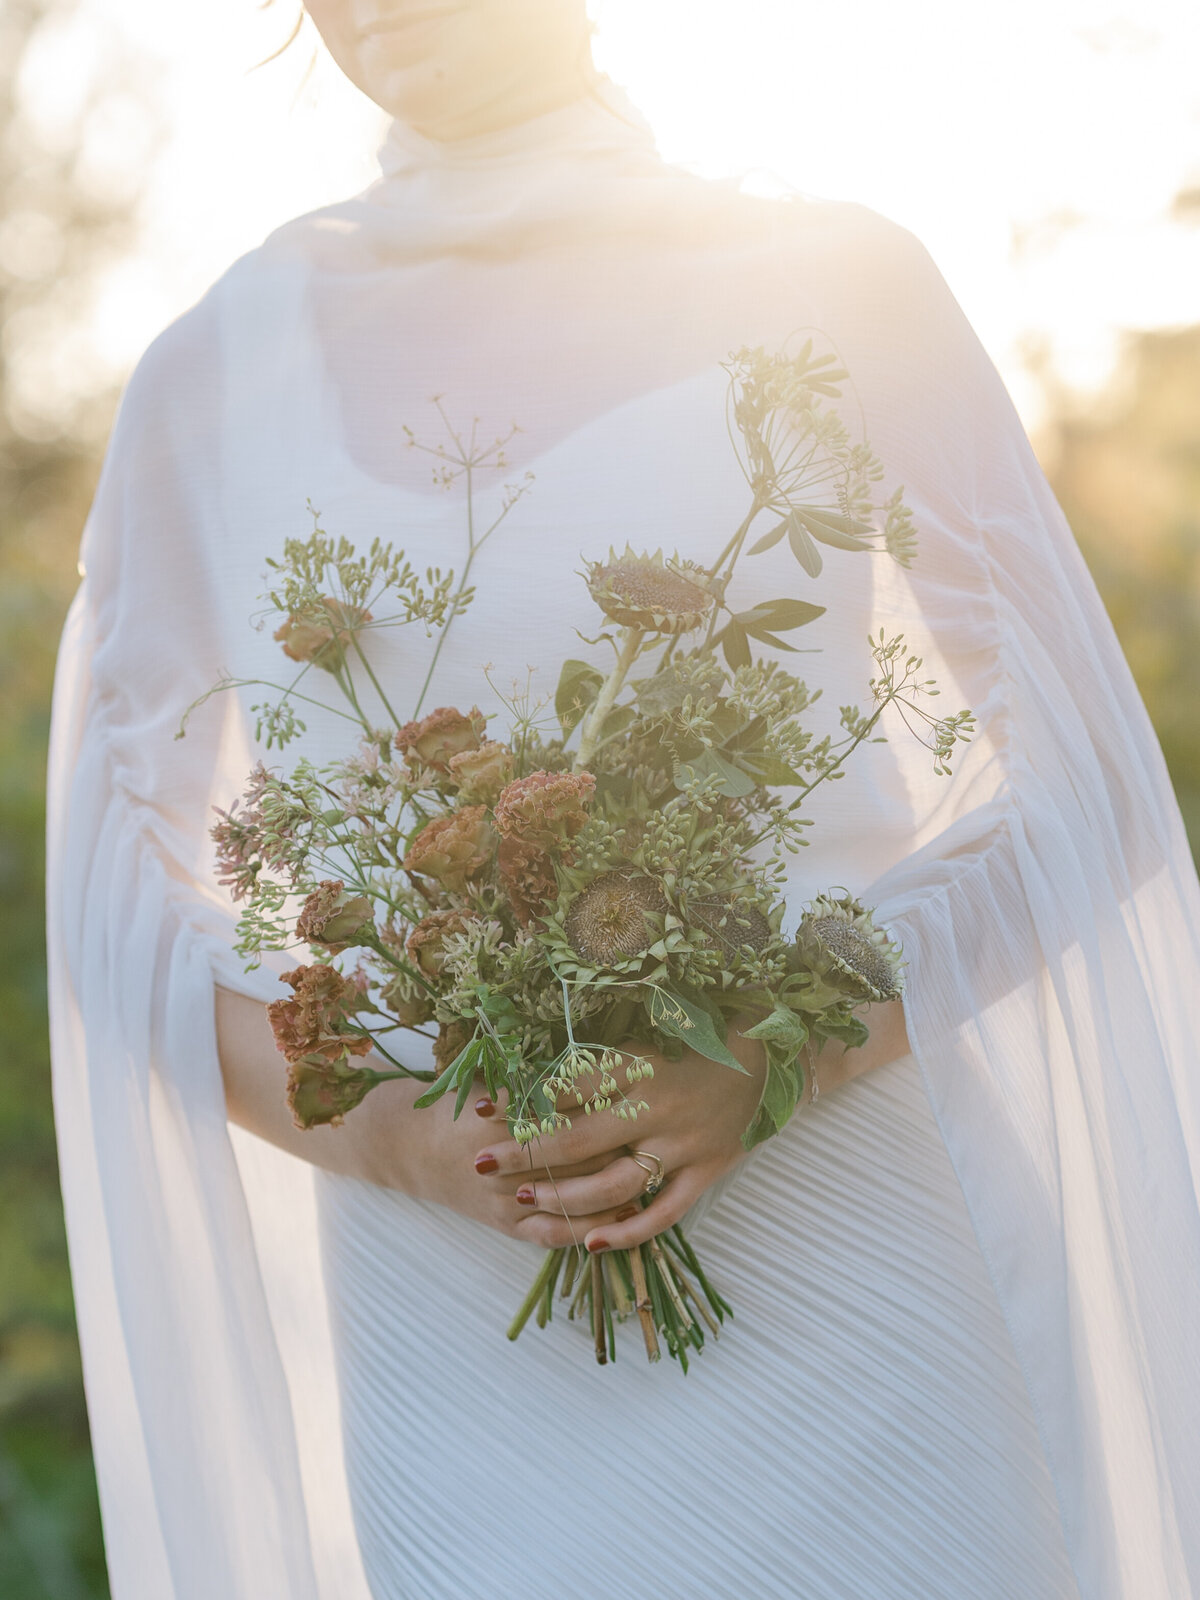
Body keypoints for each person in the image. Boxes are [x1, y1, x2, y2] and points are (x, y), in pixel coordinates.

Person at [46, 3, 1200, 1598]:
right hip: (461, 1341)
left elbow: (1085, 781)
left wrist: (777, 1052)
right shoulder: (211, 373)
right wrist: (401, 1140)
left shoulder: (838, 284)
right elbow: (115, 904)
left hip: (860, 1296)